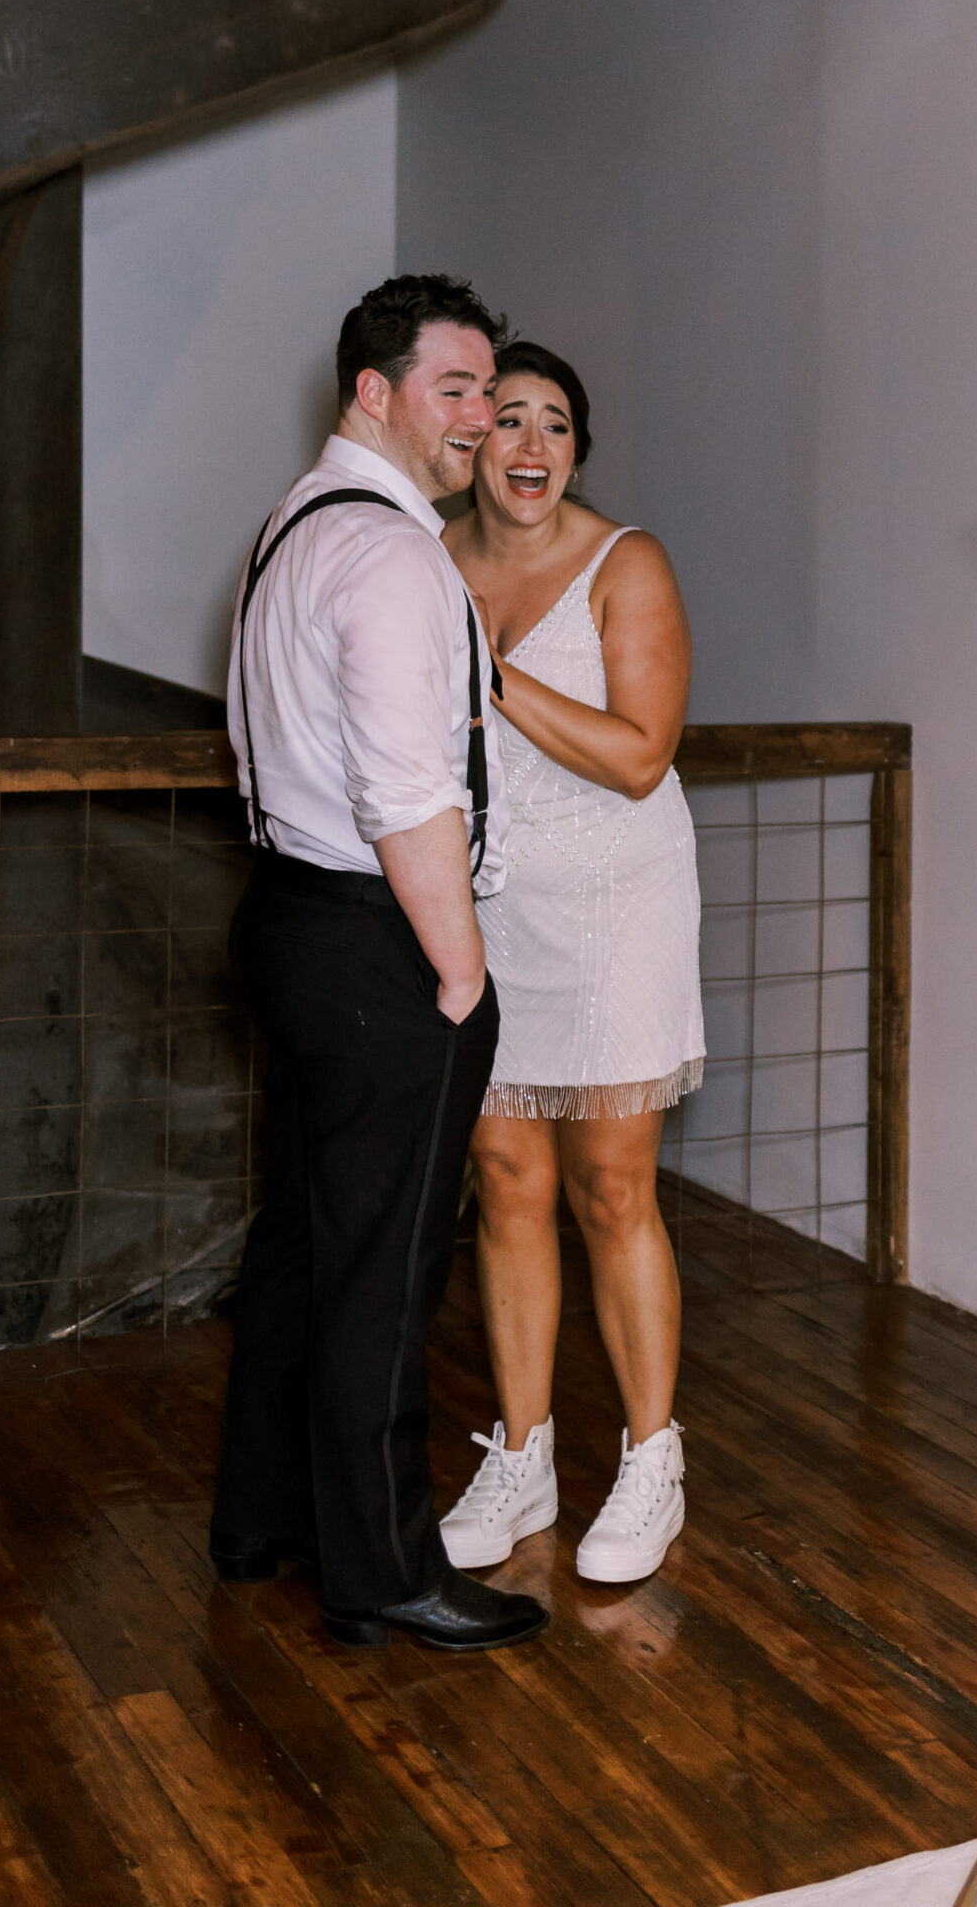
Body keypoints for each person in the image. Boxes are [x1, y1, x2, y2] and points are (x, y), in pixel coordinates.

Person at [208, 274, 547, 1654]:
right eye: (453, 389)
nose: (475, 417)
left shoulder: (296, 520)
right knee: (383, 1270)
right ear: (375, 390)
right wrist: (458, 981)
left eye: (485, 389)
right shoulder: (397, 556)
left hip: (286, 913)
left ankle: (262, 1522)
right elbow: (411, 795)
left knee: (299, 1246)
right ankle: (384, 1568)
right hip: (370, 936)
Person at [440, 340, 703, 1585]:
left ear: (578, 449)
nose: (532, 445)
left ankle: (651, 1458)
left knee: (610, 1185)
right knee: (503, 1178)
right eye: (507, 421)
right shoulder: (428, 559)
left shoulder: (625, 561)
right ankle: (526, 1449)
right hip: (486, 903)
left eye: (555, 424)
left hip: (615, 900)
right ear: (471, 443)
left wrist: (488, 681)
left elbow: (642, 752)